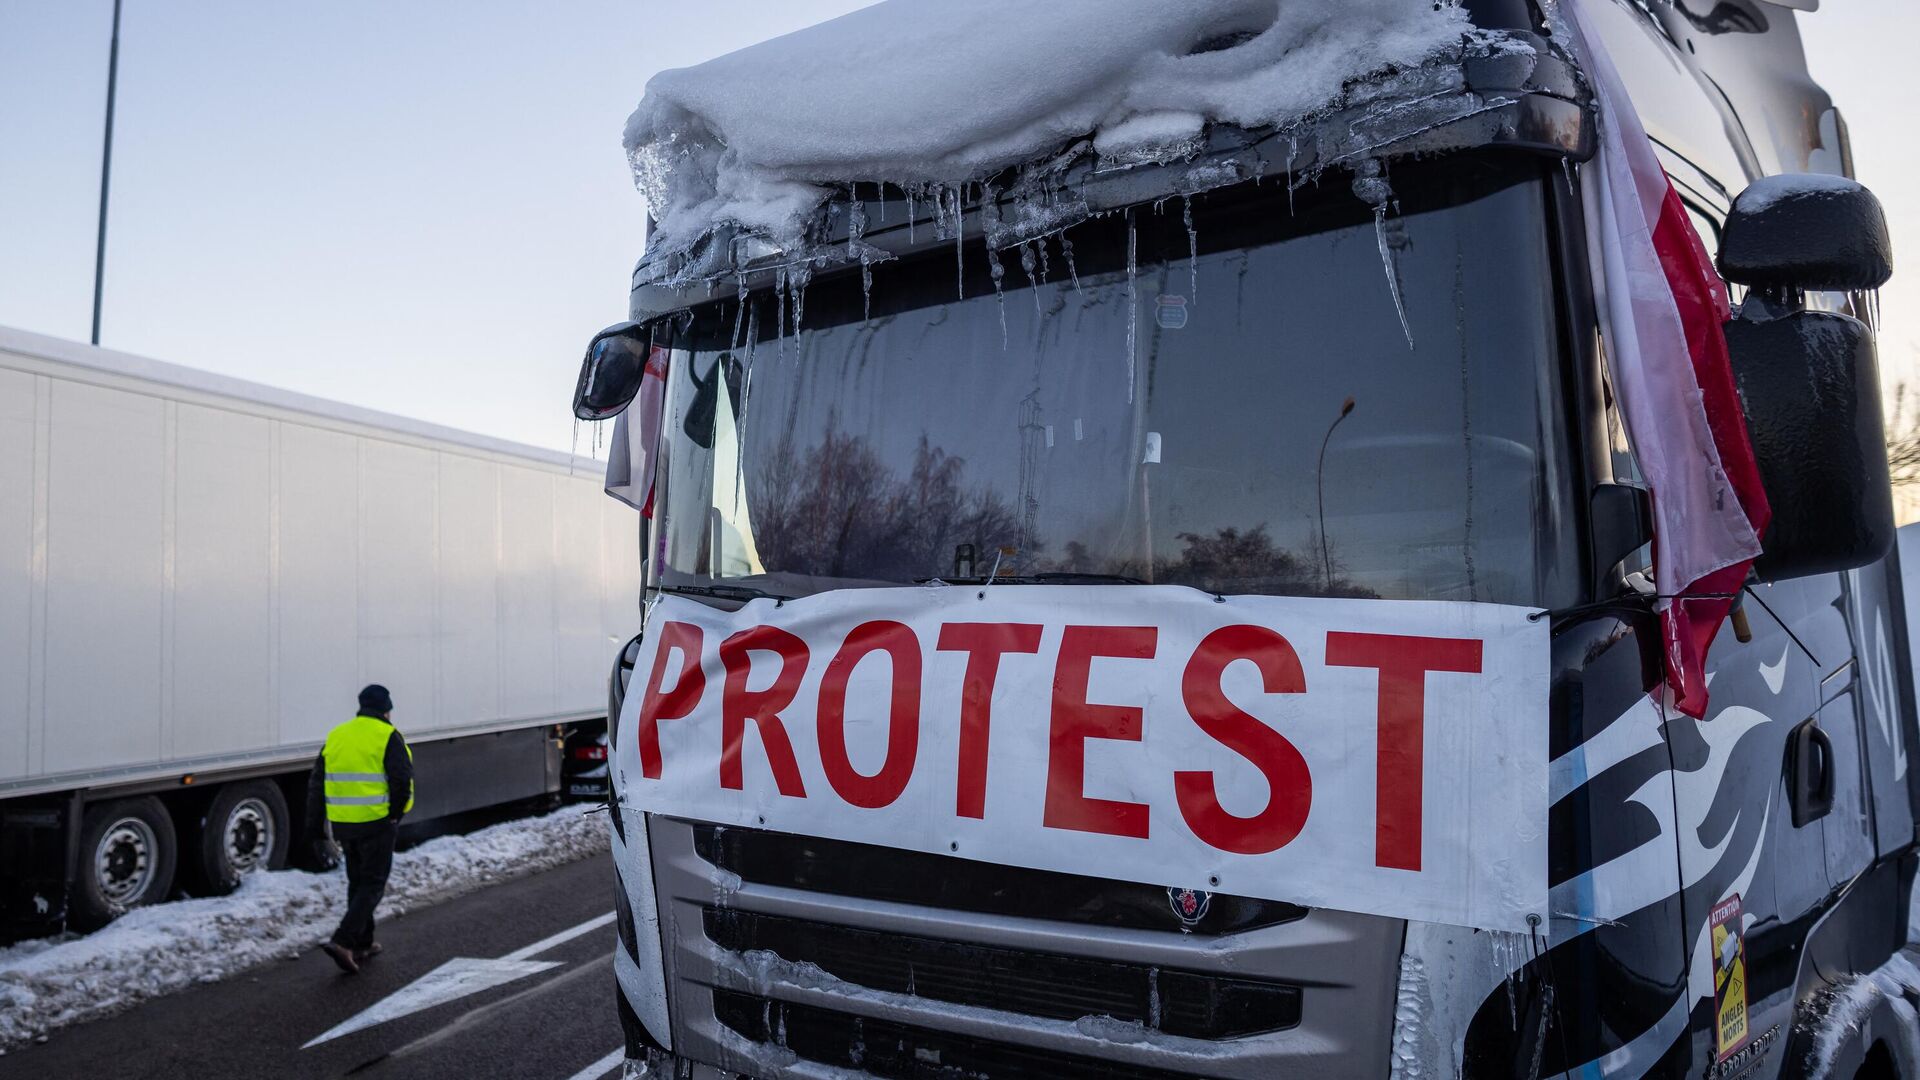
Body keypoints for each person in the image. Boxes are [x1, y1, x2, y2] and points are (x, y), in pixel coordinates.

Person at [306, 684, 413, 974]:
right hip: (377, 822)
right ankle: (343, 941)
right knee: (373, 884)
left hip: (344, 824)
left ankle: (363, 942)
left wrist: (315, 829)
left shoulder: (337, 735)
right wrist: (395, 815)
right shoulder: (387, 735)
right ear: (386, 709)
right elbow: (401, 779)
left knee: (358, 882)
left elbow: (317, 784)